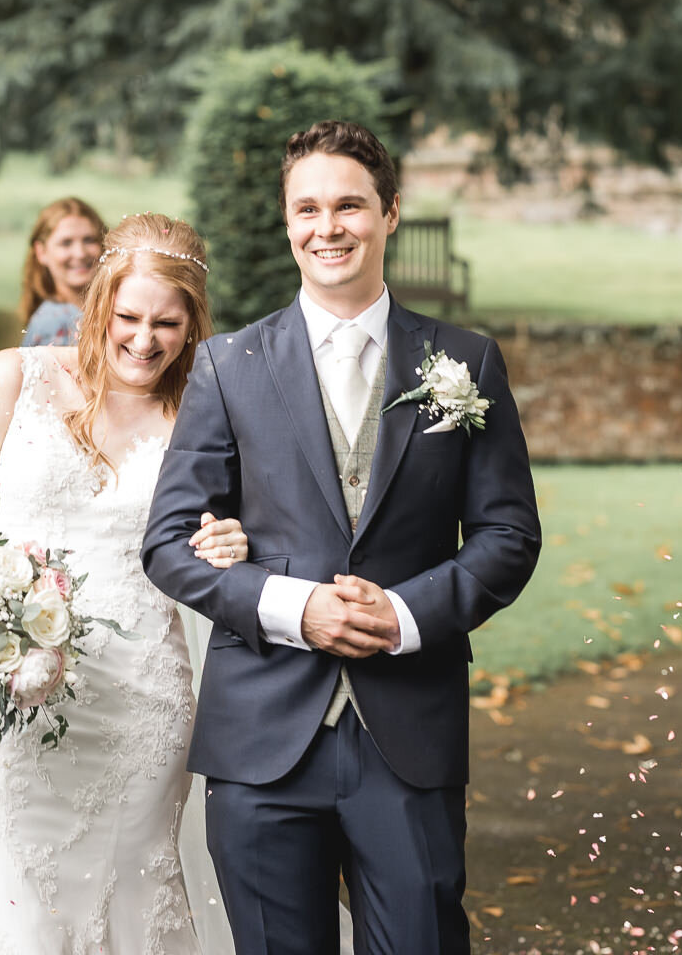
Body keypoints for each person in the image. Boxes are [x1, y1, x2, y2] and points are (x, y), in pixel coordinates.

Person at [142, 120, 542, 954]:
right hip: (261, 741)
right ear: (288, 222)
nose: (328, 228)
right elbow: (170, 542)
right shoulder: (227, 365)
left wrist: (403, 615)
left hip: (410, 737)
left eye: (350, 206)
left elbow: (508, 534)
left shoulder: (466, 361)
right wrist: (294, 607)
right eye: (308, 209)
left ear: (390, 213)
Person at [0, 212, 244, 953]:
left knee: (124, 891)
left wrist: (231, 541)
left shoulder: (202, 416)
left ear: (192, 327)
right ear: (97, 305)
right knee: (7, 899)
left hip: (143, 701)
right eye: (128, 315)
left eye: (167, 323)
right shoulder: (13, 378)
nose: (143, 339)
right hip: (8, 694)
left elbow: (222, 541)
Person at [18, 197, 106, 346]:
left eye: (89, 240)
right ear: (42, 252)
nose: (80, 253)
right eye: (66, 243)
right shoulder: (53, 324)